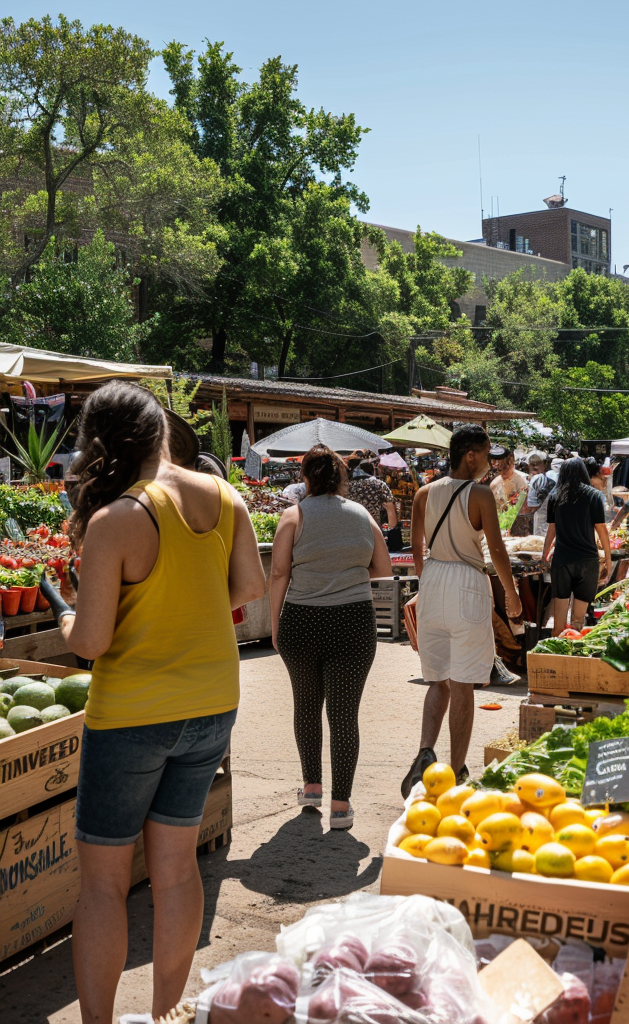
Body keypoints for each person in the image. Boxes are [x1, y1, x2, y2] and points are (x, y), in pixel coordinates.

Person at [49, 382, 265, 1024]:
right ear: (161, 431)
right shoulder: (226, 498)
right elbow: (248, 590)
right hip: (212, 705)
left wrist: (65, 616)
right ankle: (170, 1013)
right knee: (176, 870)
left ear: (102, 442)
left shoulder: (117, 518)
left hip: (134, 716)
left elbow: (91, 642)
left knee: (104, 885)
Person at [269, 445, 391, 830]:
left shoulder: (294, 516)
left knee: (306, 706)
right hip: (353, 623)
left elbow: (278, 575)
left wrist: (275, 626)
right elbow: (383, 568)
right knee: (343, 715)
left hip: (300, 623)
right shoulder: (362, 516)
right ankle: (341, 807)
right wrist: (346, 573)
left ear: (305, 477)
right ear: (342, 477)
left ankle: (311, 788)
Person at [402, 425, 523, 797]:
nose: (489, 463)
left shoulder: (424, 492)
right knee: (463, 684)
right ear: (470, 455)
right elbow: (498, 551)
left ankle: (425, 752)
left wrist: (428, 585)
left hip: (433, 581)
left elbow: (416, 546)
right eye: (487, 455)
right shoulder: (480, 494)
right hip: (467, 583)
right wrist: (512, 596)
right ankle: (455, 772)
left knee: (437, 679)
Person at [542, 457, 612, 635]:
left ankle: (554, 659)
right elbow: (602, 530)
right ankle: (573, 658)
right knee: (578, 622)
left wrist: (544, 554)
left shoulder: (555, 496)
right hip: (587, 562)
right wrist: (608, 560)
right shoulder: (594, 496)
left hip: (562, 561)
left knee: (558, 623)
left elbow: (552, 530)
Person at [347, 458, 399, 532]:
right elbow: (390, 510)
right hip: (374, 532)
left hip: (352, 531)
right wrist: (390, 530)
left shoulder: (347, 486)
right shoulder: (380, 485)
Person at [525, 450, 559, 536]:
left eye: (538, 463)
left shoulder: (543, 478)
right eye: (532, 464)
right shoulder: (552, 476)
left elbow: (532, 506)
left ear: (544, 463)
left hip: (546, 523)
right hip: (546, 522)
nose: (535, 467)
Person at [488, 446, 529, 510]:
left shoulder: (522, 481)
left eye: (499, 460)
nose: (496, 464)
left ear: (510, 460)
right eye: (493, 460)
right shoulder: (494, 484)